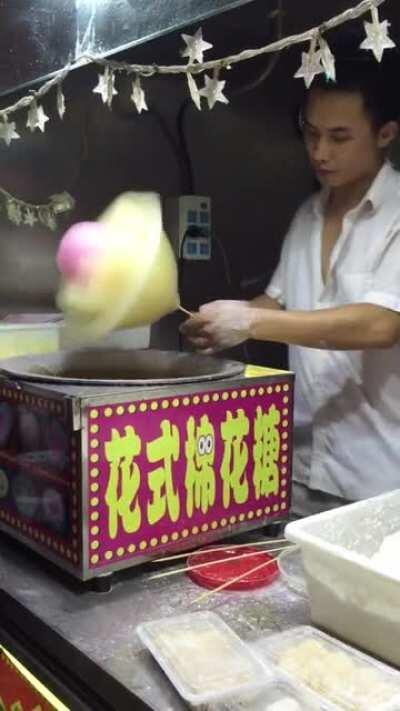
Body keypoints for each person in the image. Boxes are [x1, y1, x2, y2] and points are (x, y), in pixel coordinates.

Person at [180, 52, 400, 517]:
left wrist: (251, 320)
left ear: (386, 133)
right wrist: (220, 322)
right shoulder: (307, 215)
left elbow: (381, 324)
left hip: (380, 481)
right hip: (300, 470)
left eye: (339, 137)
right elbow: (277, 304)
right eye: (312, 133)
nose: (320, 152)